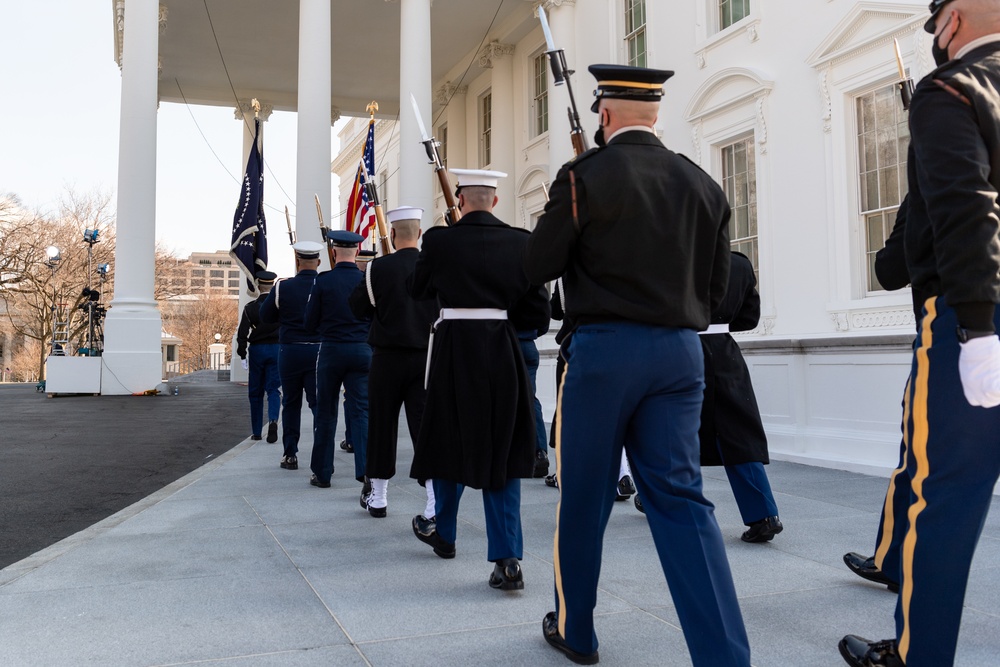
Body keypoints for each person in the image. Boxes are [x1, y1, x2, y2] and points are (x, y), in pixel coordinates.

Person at [524, 64, 750, 666]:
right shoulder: (703, 183)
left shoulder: (582, 177)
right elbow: (717, 286)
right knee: (682, 499)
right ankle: (725, 655)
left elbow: (539, 263)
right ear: (656, 113)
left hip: (604, 352)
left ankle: (577, 631)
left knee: (586, 495)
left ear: (603, 114)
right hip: (681, 353)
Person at [840, 2, 1000, 666]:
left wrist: (981, 328)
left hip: (969, 317)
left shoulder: (949, 90)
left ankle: (919, 654)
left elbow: (967, 208)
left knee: (947, 495)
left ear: (952, 20)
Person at [408, 168, 550, 591]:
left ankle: (445, 534)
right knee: (502, 450)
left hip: (454, 350)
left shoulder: (438, 240)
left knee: (449, 441)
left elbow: (418, 290)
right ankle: (507, 559)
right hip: (502, 350)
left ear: (460, 201)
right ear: (496, 201)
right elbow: (538, 314)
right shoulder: (522, 241)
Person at [348, 206, 440, 520]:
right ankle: (432, 498)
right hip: (425, 359)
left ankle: (379, 497)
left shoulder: (376, 269)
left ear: (392, 234)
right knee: (425, 430)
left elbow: (357, 306)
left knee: (381, 426)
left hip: (386, 358)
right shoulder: (436, 269)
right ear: (421, 234)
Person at [696, 251, 781, 543]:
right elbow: (748, 318)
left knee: (667, 431)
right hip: (723, 351)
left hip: (681, 350)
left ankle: (663, 502)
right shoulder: (739, 263)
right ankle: (763, 515)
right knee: (737, 433)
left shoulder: (671, 255)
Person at [303, 230, 371, 496]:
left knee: (326, 412)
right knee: (361, 411)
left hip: (332, 350)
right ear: (357, 251)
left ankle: (322, 473)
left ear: (333, 252)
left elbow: (309, 322)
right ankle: (366, 470)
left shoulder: (324, 281)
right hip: (362, 350)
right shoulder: (366, 280)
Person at [259, 241, 323, 472]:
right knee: (318, 405)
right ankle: (321, 454)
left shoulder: (282, 287)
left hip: (290, 350)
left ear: (297, 262)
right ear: (319, 262)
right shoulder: (323, 284)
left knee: (291, 403)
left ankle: (290, 454)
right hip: (318, 350)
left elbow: (265, 316)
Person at [236, 270, 281, 443]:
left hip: (257, 350)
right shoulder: (280, 306)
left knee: (255, 392)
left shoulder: (250, 308)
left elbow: (242, 334)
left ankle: (256, 431)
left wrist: (242, 353)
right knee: (274, 389)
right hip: (277, 348)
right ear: (273, 285)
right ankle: (273, 420)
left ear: (258, 284)